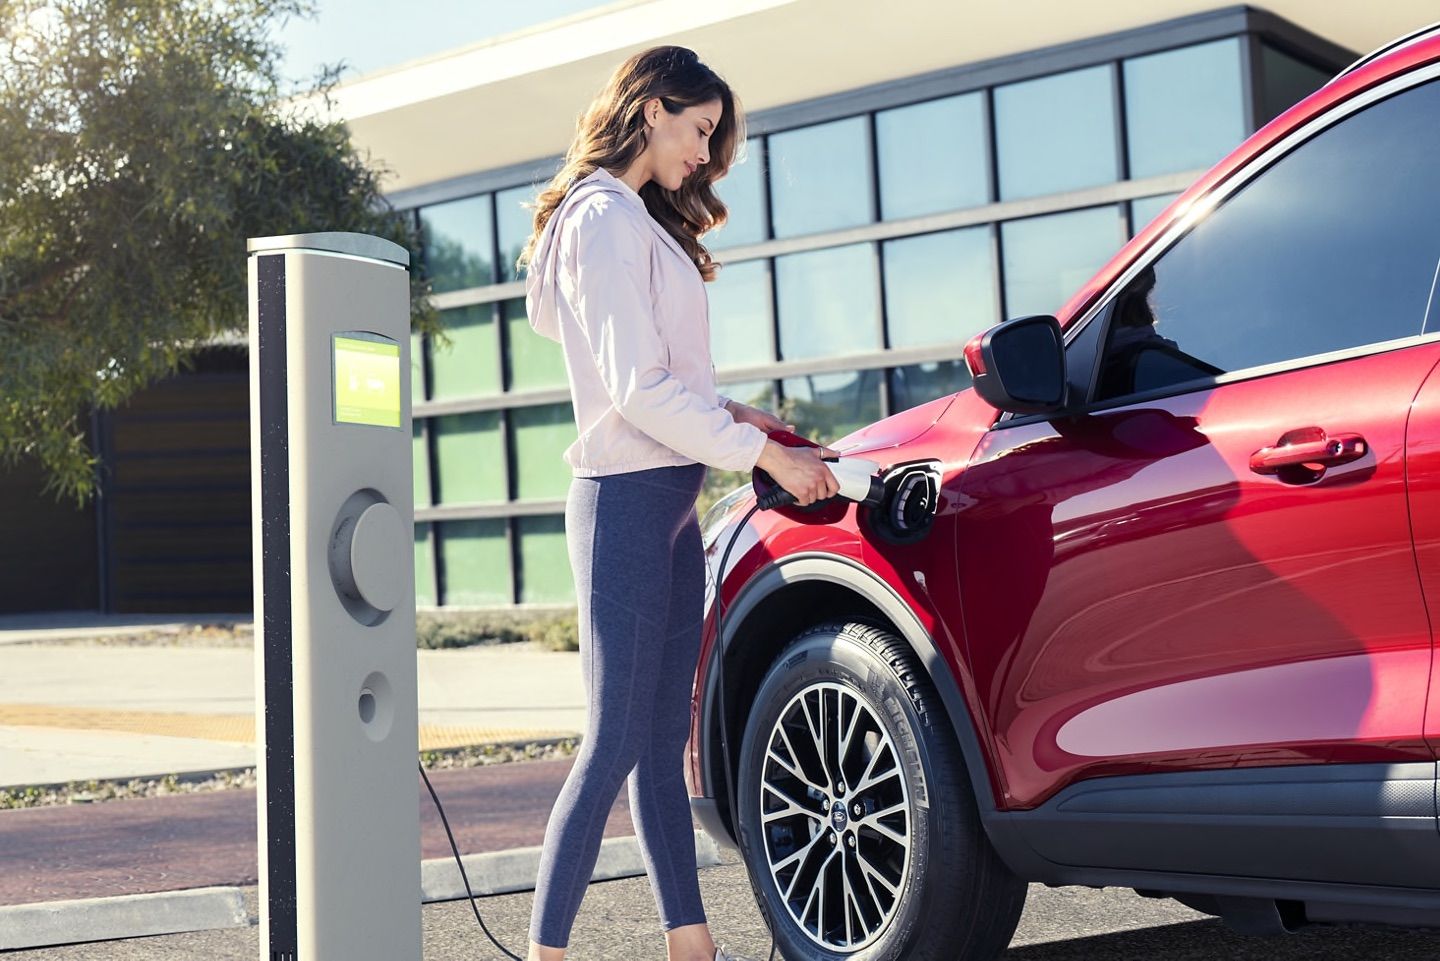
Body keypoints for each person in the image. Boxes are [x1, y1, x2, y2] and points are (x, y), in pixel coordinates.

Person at [517, 45, 838, 961]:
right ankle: (546, 953)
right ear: (655, 106)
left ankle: (690, 948)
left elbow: (666, 383)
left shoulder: (636, 223)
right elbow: (636, 391)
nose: (703, 155)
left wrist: (743, 418)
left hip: (667, 503)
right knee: (613, 737)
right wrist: (761, 454)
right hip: (623, 501)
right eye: (700, 131)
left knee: (661, 744)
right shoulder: (601, 218)